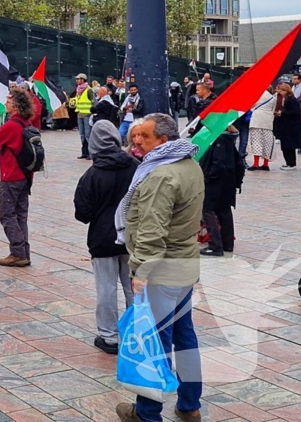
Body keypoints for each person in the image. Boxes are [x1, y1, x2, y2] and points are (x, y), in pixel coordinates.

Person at [115, 113, 203, 422]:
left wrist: (141, 270)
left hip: (162, 270)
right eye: (136, 135)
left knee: (154, 341)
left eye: (145, 137)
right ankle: (190, 404)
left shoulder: (161, 175)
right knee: (184, 335)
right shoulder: (189, 163)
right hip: (184, 264)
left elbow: (153, 229)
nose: (137, 140)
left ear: (163, 141)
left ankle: (148, 412)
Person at [74, 121, 137, 355]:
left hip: (102, 239)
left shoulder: (91, 175)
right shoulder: (135, 167)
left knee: (106, 289)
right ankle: (136, 332)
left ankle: (109, 337)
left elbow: (83, 213)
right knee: (133, 287)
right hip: (131, 237)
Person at [0, 88, 37, 268]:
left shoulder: (11, 125)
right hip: (25, 176)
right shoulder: (26, 123)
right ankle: (24, 252)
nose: (5, 103)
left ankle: (17, 252)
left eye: (8, 100)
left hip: (10, 176)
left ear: (15, 105)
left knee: (7, 214)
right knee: (20, 215)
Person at [199, 127, 243, 257]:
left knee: (208, 210)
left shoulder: (219, 141)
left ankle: (215, 245)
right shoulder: (228, 140)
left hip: (216, 182)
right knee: (223, 209)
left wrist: (207, 177)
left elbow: (218, 165)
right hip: (228, 182)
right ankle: (227, 243)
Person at [273, 83, 301, 170]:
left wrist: (282, 113)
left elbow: (295, 112)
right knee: (286, 146)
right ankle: (289, 162)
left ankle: (291, 163)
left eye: (282, 90)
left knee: (289, 146)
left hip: (290, 126)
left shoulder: (292, 100)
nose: (280, 92)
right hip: (285, 125)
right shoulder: (285, 99)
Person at [247, 89, 276, 171]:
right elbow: (273, 110)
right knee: (267, 142)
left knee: (256, 141)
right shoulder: (273, 98)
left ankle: (256, 163)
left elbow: (250, 106)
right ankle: (265, 164)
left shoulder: (257, 94)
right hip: (268, 121)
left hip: (256, 120)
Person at [72, 74, 94, 159]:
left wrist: (92, 113)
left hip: (87, 115)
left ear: (83, 80)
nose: (77, 80)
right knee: (82, 134)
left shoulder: (89, 90)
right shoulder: (78, 90)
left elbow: (93, 102)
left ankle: (90, 153)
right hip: (80, 114)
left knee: (88, 135)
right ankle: (84, 152)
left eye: (78, 79)